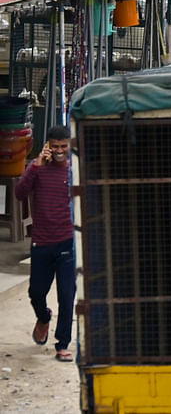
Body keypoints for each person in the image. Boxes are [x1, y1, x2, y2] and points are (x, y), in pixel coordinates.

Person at [16, 126, 76, 362]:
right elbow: (20, 193)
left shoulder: (75, 170)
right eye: (55, 146)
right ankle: (43, 317)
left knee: (67, 295)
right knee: (36, 293)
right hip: (41, 242)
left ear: (70, 145)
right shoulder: (37, 168)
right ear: (48, 145)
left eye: (64, 146)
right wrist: (35, 166)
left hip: (67, 243)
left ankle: (62, 344)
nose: (59, 151)